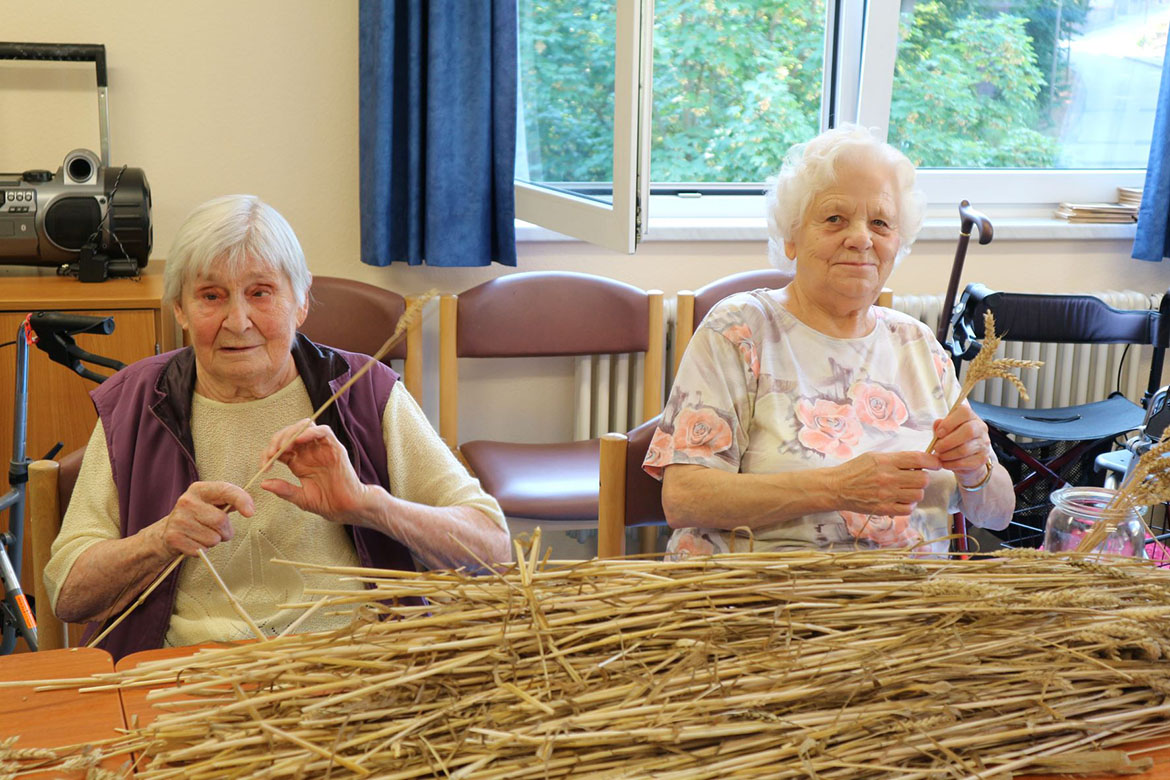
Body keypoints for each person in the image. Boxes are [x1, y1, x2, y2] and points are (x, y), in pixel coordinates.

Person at [44, 194, 510, 659]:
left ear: (301, 300)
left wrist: (368, 506)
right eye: (211, 296)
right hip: (183, 670)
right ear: (180, 310)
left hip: (349, 661)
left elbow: (494, 551)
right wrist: (159, 540)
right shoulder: (137, 401)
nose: (238, 321)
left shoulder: (365, 392)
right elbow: (68, 594)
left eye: (261, 292)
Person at [644, 125, 1012, 557]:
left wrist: (977, 469)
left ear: (898, 242)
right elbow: (684, 498)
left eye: (880, 222)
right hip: (760, 601)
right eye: (835, 218)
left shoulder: (917, 344)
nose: (861, 237)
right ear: (792, 237)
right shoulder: (740, 329)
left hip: (905, 606)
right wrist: (837, 488)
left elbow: (998, 515)